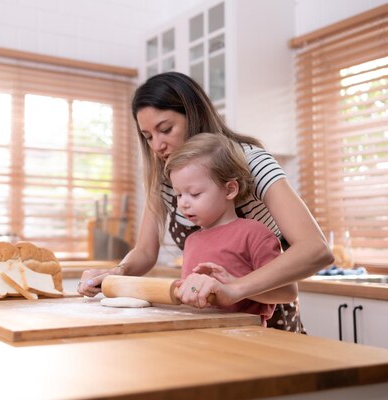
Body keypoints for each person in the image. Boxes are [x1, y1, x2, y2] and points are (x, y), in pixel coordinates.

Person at [77, 72, 333, 332]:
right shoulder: (166, 179)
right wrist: (117, 272)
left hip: (263, 315)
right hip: (206, 321)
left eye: (165, 129)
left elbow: (315, 248)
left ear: (194, 115)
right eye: (148, 136)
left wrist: (233, 289)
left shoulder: (251, 162)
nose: (157, 145)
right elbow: (145, 251)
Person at [164, 133, 297, 326]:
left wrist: (234, 284)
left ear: (229, 190)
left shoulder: (254, 234)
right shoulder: (192, 241)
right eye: (178, 194)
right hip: (199, 338)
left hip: (245, 339)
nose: (183, 203)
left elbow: (288, 292)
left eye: (194, 194)